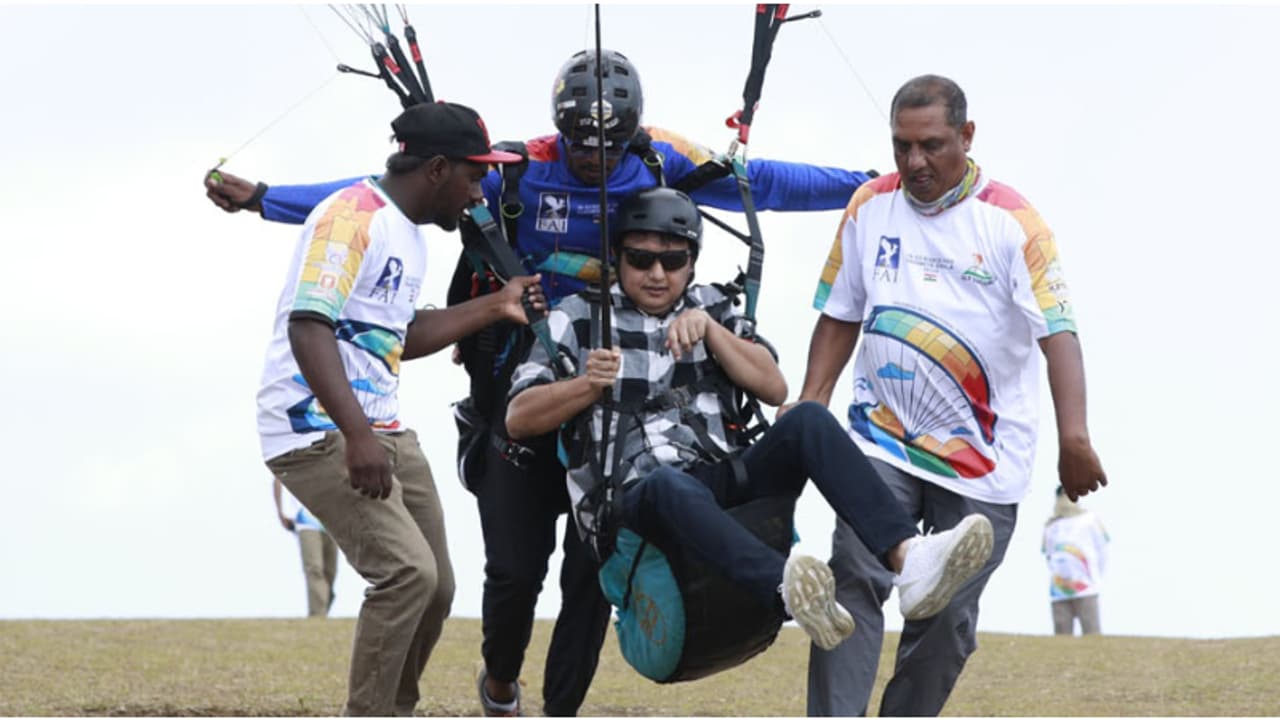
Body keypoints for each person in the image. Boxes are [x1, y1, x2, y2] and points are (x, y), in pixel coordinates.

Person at [209, 48, 880, 717]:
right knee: (514, 570)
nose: (593, 158)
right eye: (580, 146)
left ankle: (560, 710)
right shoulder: (521, 165)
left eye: (607, 147)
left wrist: (871, 185)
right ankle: (500, 685)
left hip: (616, 397)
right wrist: (270, 201)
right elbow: (387, 190)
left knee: (589, 573)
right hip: (528, 379)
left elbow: (760, 181)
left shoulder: (658, 157)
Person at [506, 186, 994, 666]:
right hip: (637, 499)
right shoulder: (577, 318)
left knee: (807, 417)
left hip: (719, 477)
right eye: (640, 259)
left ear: (692, 262)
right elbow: (519, 418)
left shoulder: (712, 306)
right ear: (617, 258)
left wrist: (713, 331)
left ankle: (909, 559)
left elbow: (774, 387)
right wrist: (586, 387)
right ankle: (788, 591)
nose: (657, 274)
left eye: (673, 262)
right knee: (667, 485)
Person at [791, 74, 1109, 716]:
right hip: (880, 436)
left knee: (946, 619)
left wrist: (1074, 436)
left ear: (966, 137)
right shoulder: (868, 207)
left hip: (982, 460)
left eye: (931, 145)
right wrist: (811, 404)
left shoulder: (1014, 223)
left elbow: (1059, 334)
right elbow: (841, 311)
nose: (914, 163)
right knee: (854, 573)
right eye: (902, 146)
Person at [257, 100, 540, 716]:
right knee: (406, 574)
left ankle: (394, 708)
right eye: (473, 176)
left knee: (436, 585)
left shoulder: (408, 235)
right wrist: (356, 436)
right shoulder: (351, 218)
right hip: (315, 429)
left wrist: (496, 305)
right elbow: (310, 327)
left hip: (381, 427)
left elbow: (399, 337)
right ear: (438, 168)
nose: (479, 191)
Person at [1043, 486, 1109, 635]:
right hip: (1059, 590)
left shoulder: (1090, 520)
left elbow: (1102, 550)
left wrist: (1096, 575)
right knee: (1062, 635)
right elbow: (1048, 554)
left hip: (1086, 587)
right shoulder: (1051, 526)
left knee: (1092, 632)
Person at [272, 475, 339, 617]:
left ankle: (322, 614)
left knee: (330, 572)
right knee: (314, 569)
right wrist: (280, 513)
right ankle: (317, 616)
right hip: (306, 522)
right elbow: (278, 479)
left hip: (332, 522)